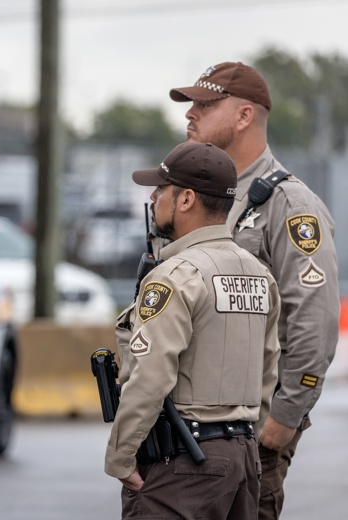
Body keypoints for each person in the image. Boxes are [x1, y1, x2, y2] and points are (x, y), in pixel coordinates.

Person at [169, 61, 340, 519]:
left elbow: (315, 320)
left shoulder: (289, 205)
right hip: (185, 423)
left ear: (244, 116)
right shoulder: (197, 196)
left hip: (248, 428)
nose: (190, 114)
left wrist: (285, 417)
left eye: (205, 105)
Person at [104, 142, 281, 519]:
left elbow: (150, 377)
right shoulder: (259, 275)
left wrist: (120, 456)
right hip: (242, 459)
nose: (152, 198)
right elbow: (268, 372)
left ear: (185, 199)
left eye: (160, 189)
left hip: (184, 463)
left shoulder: (175, 276)